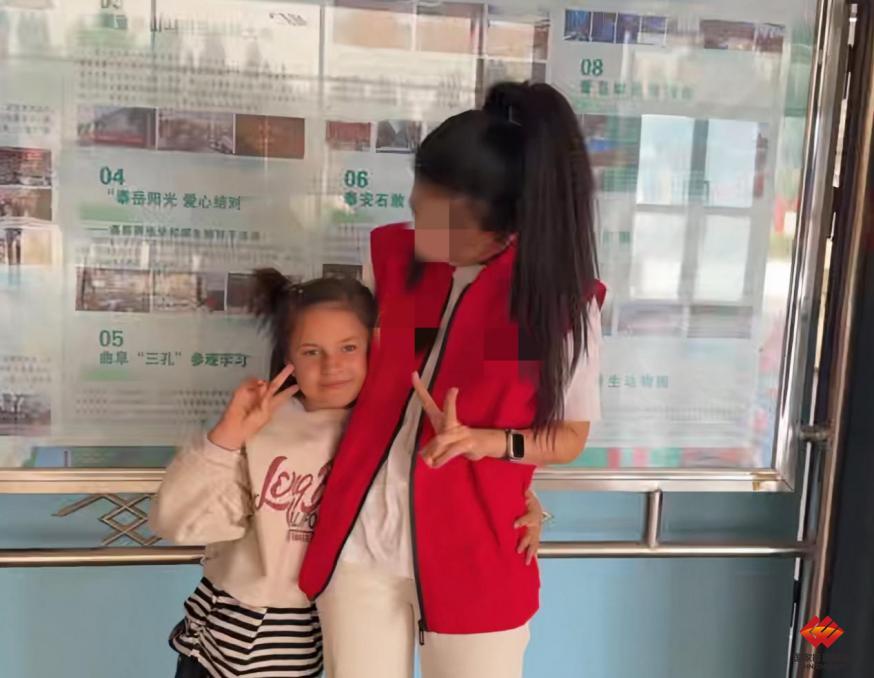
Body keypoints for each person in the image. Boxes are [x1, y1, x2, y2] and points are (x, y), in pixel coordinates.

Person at [298, 81, 604, 678]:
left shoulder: (560, 306)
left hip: (476, 556)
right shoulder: (392, 260)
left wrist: (492, 446)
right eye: (416, 208)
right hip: (360, 545)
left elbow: (569, 437)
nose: (417, 233)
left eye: (438, 223)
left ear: (505, 227)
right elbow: (342, 378)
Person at [149, 270, 545, 678]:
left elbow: (439, 489)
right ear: (289, 358)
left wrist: (528, 505)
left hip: (316, 634)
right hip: (226, 636)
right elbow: (178, 522)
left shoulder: (393, 433)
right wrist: (228, 437)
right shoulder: (262, 425)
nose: (332, 365)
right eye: (311, 351)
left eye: (349, 347)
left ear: (377, 348)